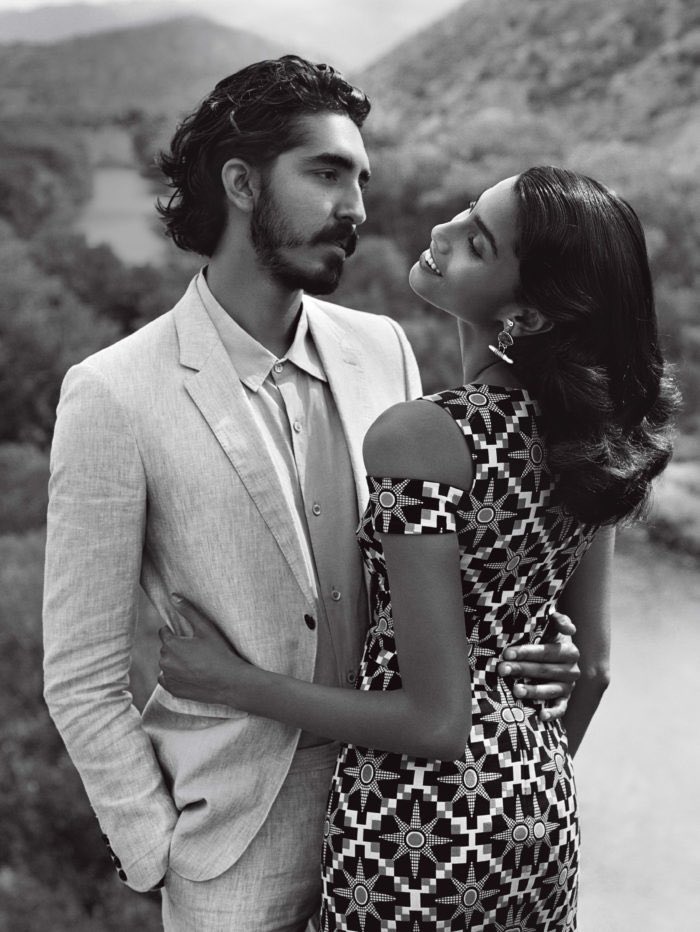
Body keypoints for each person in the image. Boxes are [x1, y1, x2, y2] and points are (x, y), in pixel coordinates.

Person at [43, 57, 580, 932]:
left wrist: (530, 643)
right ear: (243, 183)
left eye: (361, 179)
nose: (356, 206)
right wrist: (157, 852)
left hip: (409, 829)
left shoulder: (385, 348)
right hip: (233, 857)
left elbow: (438, 579)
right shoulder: (114, 393)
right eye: (327, 173)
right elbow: (81, 672)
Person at [159, 165, 678, 930]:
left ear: (528, 315)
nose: (443, 231)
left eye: (478, 241)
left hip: (415, 831)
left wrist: (232, 682)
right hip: (539, 813)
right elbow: (593, 671)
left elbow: (436, 723)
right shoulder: (593, 435)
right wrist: (508, 788)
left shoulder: (425, 435)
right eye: (467, 209)